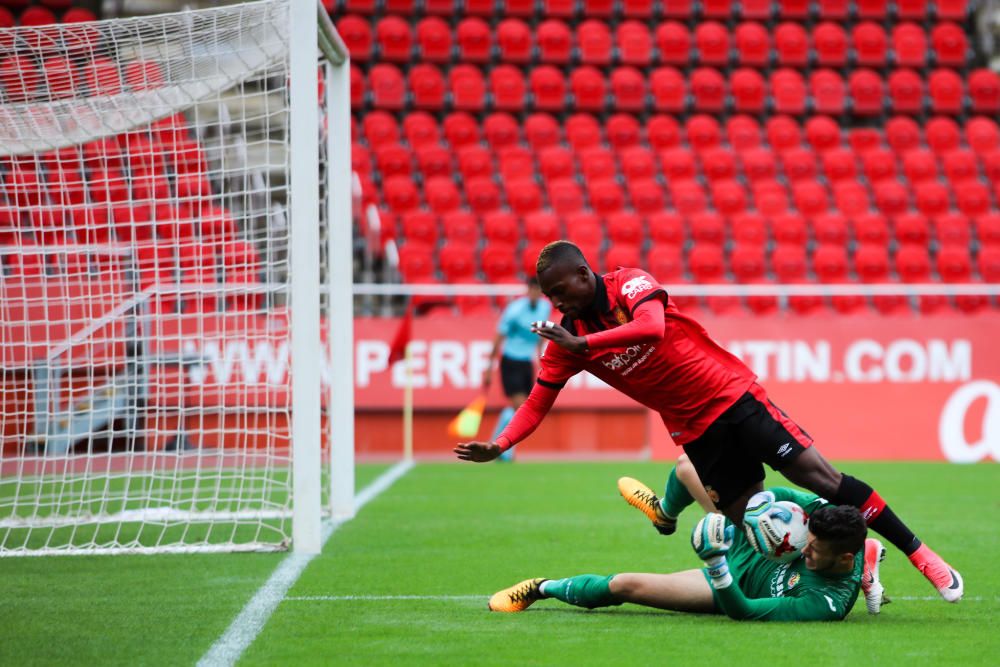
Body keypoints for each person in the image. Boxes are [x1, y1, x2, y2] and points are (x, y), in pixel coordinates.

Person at [456, 240, 962, 602]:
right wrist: (501, 443)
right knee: (757, 529)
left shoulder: (630, 282)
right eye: (548, 295)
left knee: (822, 479)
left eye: (560, 289)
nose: (556, 302)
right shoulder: (567, 340)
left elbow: (651, 328)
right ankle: (858, 559)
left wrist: (584, 345)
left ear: (585, 276)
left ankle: (924, 558)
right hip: (694, 430)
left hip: (732, 395)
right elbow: (536, 403)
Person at [489, 485, 883, 622]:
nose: (805, 550)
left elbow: (743, 611)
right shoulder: (824, 521)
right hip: (752, 542)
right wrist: (757, 512)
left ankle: (542, 588)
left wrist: (715, 564)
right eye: (807, 540)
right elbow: (780, 495)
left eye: (813, 551)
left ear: (843, 560)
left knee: (626, 585)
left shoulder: (824, 602)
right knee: (687, 466)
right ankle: (664, 511)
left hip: (731, 586)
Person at [481, 275, 551, 462]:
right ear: (528, 291)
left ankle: (495, 444)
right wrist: (489, 368)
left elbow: (542, 332)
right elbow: (499, 337)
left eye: (539, 290)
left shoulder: (545, 307)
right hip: (511, 360)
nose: (535, 293)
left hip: (526, 363)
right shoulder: (515, 310)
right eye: (533, 290)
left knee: (522, 408)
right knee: (520, 406)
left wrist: (540, 356)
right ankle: (504, 451)